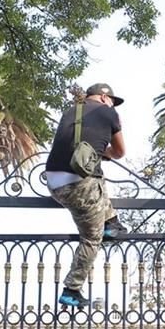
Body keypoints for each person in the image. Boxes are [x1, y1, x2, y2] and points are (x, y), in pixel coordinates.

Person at [45, 83, 127, 307]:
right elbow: (120, 152)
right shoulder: (110, 113)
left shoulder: (70, 112)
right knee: (91, 238)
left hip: (52, 183)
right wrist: (106, 153)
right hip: (78, 186)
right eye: (111, 100)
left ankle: (112, 222)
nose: (112, 104)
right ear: (103, 97)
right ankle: (71, 290)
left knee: (97, 182)